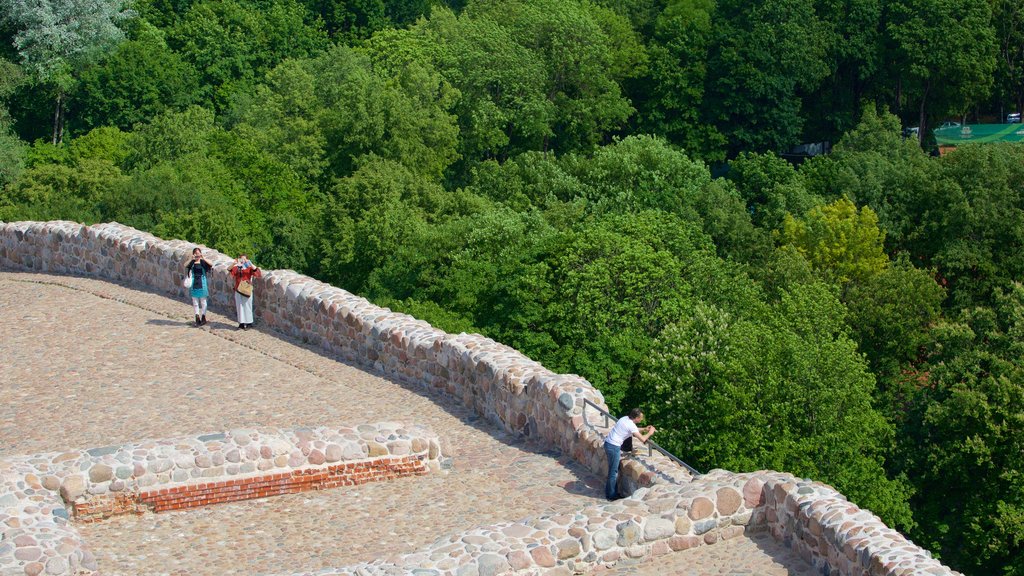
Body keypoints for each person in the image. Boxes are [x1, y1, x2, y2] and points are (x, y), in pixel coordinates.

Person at [604, 408, 656, 501]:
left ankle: (612, 492)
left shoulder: (624, 419)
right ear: (636, 418)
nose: (641, 420)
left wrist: (644, 429)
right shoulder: (630, 425)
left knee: (613, 470)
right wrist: (650, 433)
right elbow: (643, 439)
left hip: (608, 444)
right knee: (613, 472)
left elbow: (633, 430)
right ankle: (611, 495)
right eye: (640, 418)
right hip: (613, 447)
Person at [228, 254, 262, 330]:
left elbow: (258, 273)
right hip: (238, 289)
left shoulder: (249, 268)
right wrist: (234, 263)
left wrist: (249, 263)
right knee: (239, 306)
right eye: (241, 259)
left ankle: (249, 323)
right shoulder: (237, 268)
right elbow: (229, 270)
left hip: (246, 289)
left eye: (244, 259)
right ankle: (241, 323)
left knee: (247, 306)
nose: (242, 260)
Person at [184, 247, 213, 327]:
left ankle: (203, 316)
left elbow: (211, 264)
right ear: (193, 254)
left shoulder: (203, 262)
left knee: (204, 302)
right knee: (195, 302)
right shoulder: (192, 262)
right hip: (194, 283)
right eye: (196, 253)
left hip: (202, 282)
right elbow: (185, 265)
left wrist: (203, 257)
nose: (197, 255)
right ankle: (197, 317)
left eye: (198, 253)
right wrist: (191, 259)